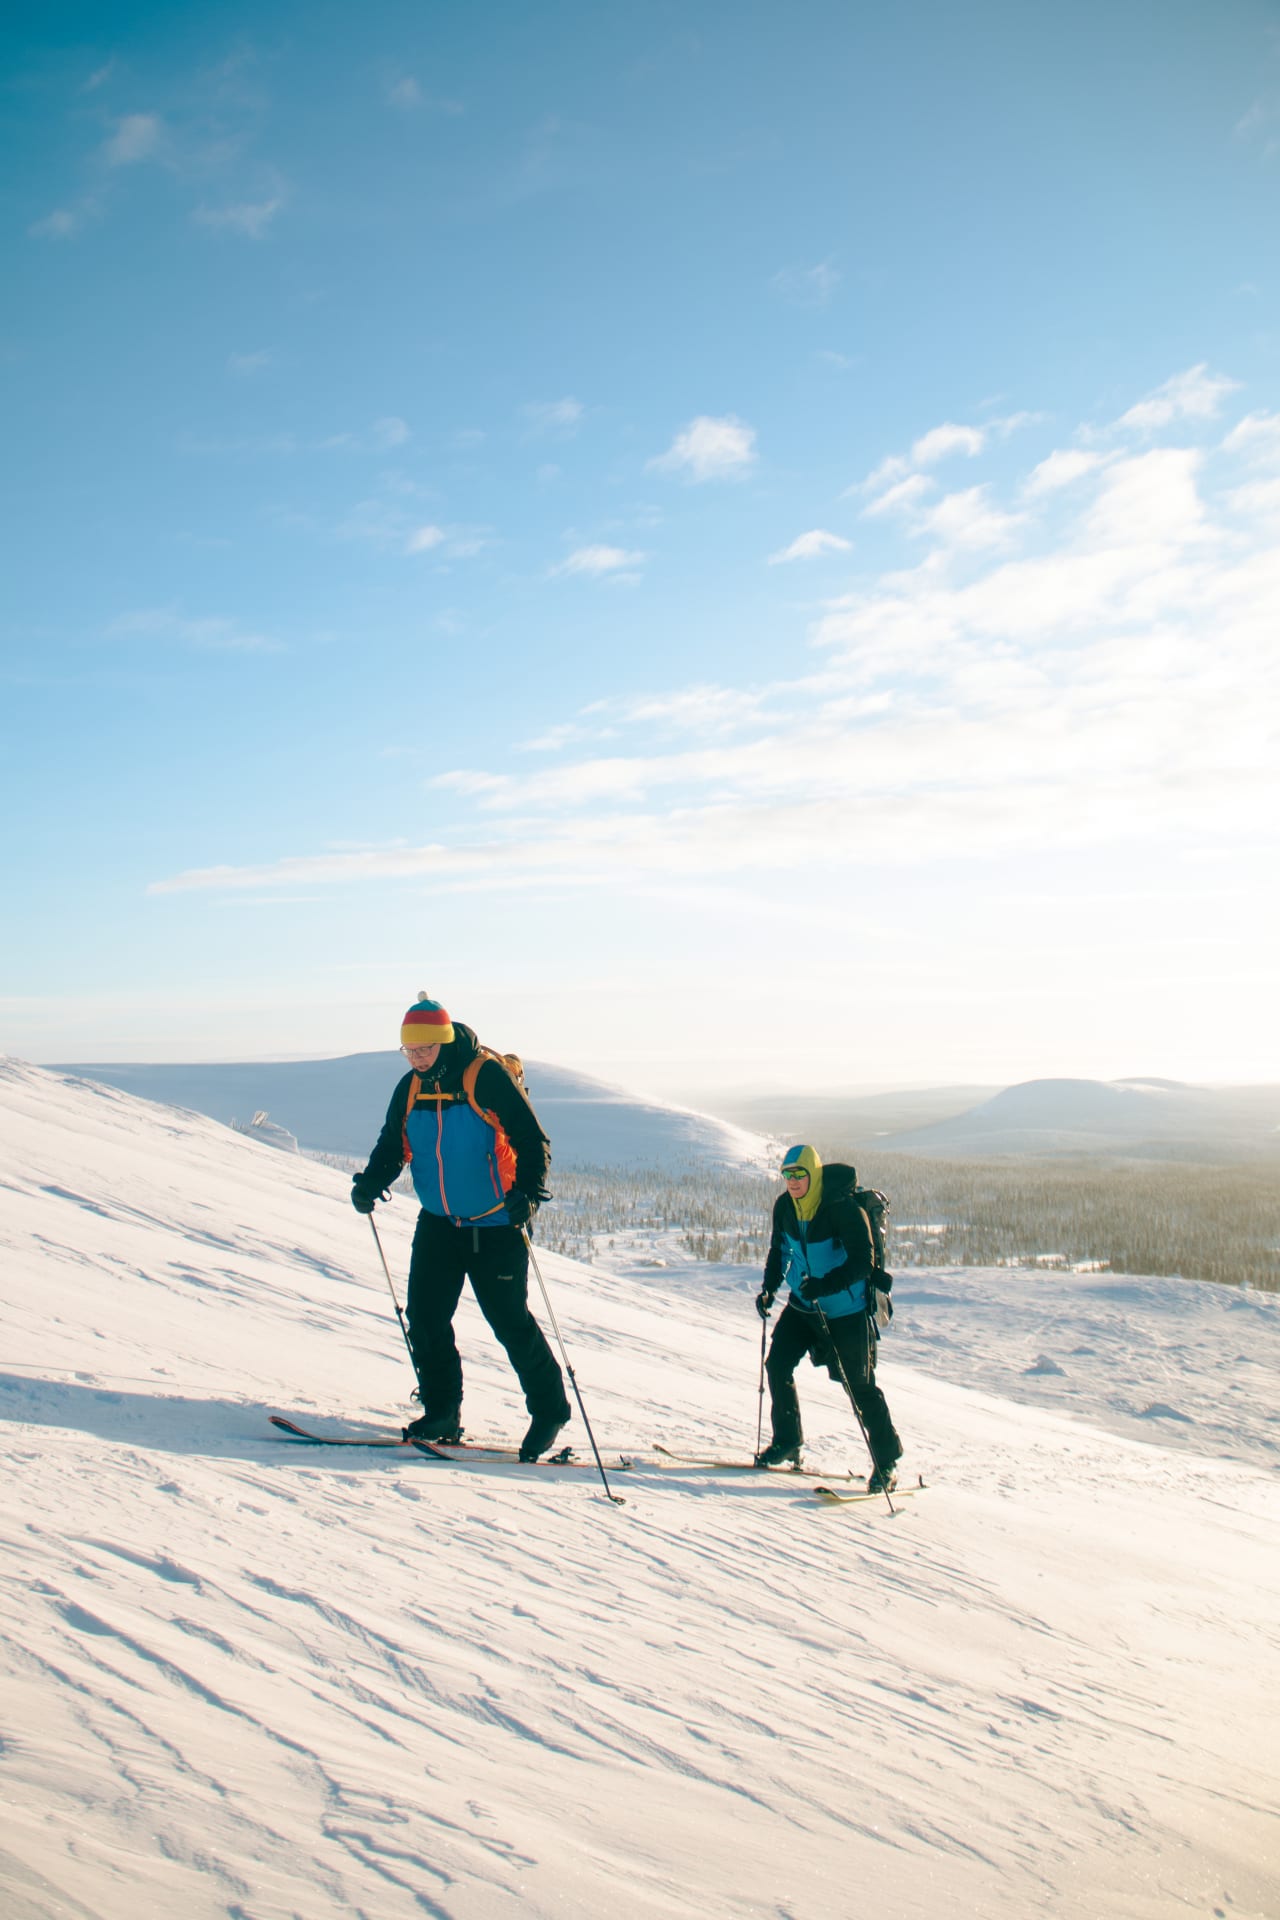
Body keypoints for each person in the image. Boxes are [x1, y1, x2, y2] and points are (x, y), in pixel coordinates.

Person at [350, 993, 571, 1462]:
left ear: (443, 1041)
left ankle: (550, 1411)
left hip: (496, 1225)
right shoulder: (410, 1087)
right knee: (426, 1319)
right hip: (439, 1225)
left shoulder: (483, 1076)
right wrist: (370, 1182)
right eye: (409, 1051)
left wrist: (529, 1195)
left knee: (510, 1323)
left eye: (425, 1050)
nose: (417, 1058)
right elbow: (394, 1143)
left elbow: (533, 1139)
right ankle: (442, 1412)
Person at [755, 1144, 902, 1491]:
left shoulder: (841, 1208)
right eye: (787, 1175)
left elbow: (862, 1261)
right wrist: (768, 1289)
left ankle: (887, 1462)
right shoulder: (785, 1207)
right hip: (804, 1306)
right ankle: (788, 1441)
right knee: (777, 1365)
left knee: (860, 1388)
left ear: (813, 1173)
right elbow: (779, 1251)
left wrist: (826, 1285)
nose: (792, 1181)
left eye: (799, 1174)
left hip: (845, 1312)